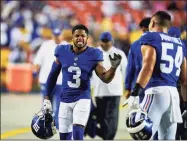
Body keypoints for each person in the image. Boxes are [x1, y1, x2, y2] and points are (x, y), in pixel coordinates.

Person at [42, 24, 122, 140]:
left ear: (87, 38)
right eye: (77, 35)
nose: (80, 38)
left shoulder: (93, 54)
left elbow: (105, 78)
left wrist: (113, 68)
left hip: (82, 99)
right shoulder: (62, 51)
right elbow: (52, 75)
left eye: (83, 36)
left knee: (78, 133)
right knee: (64, 137)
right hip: (65, 100)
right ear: (72, 37)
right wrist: (47, 97)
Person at [127, 11, 186, 140]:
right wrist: (185, 105)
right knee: (168, 138)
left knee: (141, 136)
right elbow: (185, 80)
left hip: (156, 92)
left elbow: (148, 67)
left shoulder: (150, 37)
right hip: (173, 96)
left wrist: (135, 92)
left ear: (152, 23)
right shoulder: (179, 43)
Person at [90, 32, 127, 140]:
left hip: (115, 91)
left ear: (112, 42)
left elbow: (126, 71)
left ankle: (108, 137)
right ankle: (105, 136)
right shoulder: (94, 53)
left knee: (113, 120)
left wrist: (128, 88)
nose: (105, 44)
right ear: (99, 41)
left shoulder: (119, 53)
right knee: (102, 119)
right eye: (103, 42)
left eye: (107, 42)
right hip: (99, 91)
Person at [33, 28, 68, 129]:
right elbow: (38, 60)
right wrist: (35, 71)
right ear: (53, 36)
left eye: (59, 35)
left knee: (59, 105)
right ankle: (45, 124)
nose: (57, 37)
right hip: (45, 79)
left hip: (60, 81)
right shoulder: (46, 45)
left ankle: (56, 125)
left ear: (62, 36)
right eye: (55, 35)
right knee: (46, 105)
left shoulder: (66, 46)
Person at [125, 17, 151, 102]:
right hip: (153, 86)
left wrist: (127, 87)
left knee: (137, 113)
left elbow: (130, 68)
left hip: (137, 86)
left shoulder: (135, 45)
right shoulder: (159, 44)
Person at [168, 26, 187, 140]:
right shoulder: (182, 45)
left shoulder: (161, 45)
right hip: (181, 86)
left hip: (169, 86)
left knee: (171, 122)